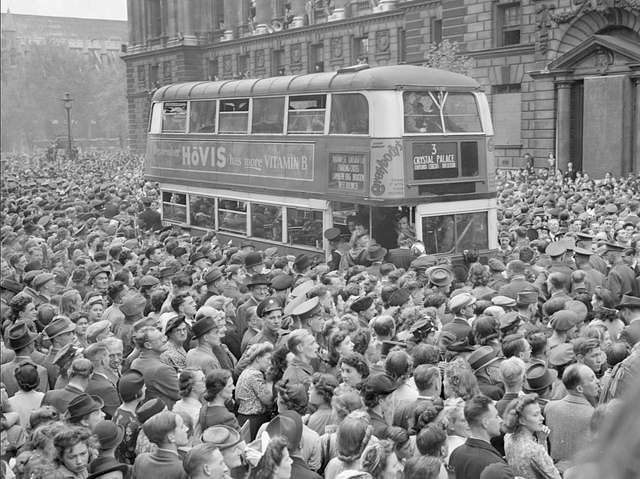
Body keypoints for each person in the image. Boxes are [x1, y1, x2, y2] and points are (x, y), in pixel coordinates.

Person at [544, 364, 598, 473]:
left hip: (556, 471)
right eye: (592, 379)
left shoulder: (550, 407)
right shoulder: (594, 415)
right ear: (579, 388)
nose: (598, 381)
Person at [449, 395, 506, 479]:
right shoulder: (493, 463)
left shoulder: (456, 453)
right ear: (485, 423)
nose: (500, 420)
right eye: (496, 417)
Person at [130, 326, 180, 409]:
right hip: (164, 413)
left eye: (163, 336)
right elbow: (180, 395)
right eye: (160, 339)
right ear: (148, 345)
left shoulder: (135, 363)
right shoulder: (162, 370)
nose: (165, 340)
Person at [133, 410, 189, 479]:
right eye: (182, 427)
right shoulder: (183, 469)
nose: (187, 429)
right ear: (171, 437)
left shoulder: (140, 460)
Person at [235, 342, 274, 440]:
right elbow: (268, 400)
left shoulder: (246, 372)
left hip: (244, 418)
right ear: (258, 358)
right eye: (268, 359)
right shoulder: (255, 375)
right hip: (254, 420)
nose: (270, 363)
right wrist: (270, 380)